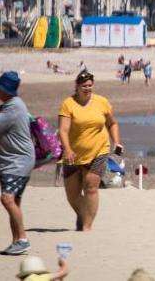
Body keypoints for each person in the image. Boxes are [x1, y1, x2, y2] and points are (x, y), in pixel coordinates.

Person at [58, 70, 122, 231]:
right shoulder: (68, 104)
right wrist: (67, 149)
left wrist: (117, 142)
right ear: (77, 86)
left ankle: (87, 227)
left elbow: (112, 123)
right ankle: (83, 215)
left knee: (91, 187)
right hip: (72, 154)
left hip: (98, 150)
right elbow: (63, 130)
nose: (87, 88)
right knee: (72, 195)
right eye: (84, 86)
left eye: (90, 85)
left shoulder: (102, 102)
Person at [0, 71, 35, 255]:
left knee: (7, 199)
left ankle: (23, 239)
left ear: (4, 90)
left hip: (17, 162)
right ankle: (16, 241)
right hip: (12, 161)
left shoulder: (12, 107)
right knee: (14, 201)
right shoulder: (11, 104)